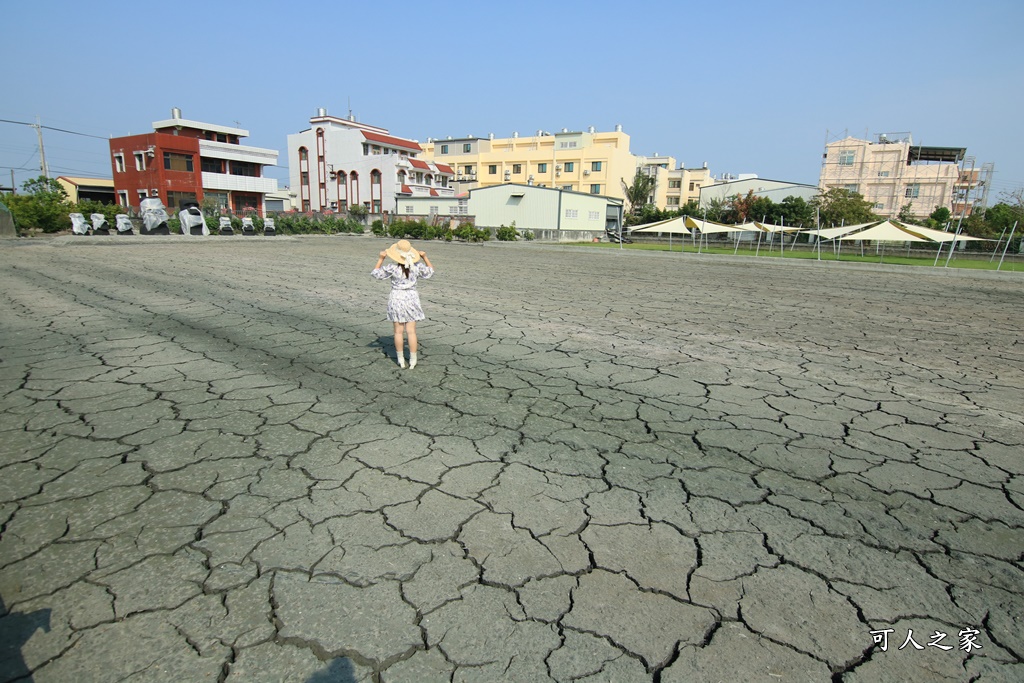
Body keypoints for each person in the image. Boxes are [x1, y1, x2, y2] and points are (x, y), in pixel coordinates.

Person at [371, 239, 434, 368]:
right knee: (411, 331)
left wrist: (381, 258)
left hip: (397, 297)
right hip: (411, 297)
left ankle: (400, 360)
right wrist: (425, 257)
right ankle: (413, 359)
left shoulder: (393, 268)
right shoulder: (416, 268)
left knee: (398, 332)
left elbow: (376, 273)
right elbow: (430, 271)